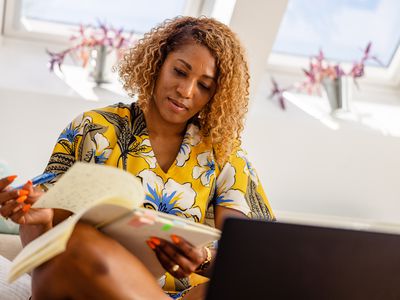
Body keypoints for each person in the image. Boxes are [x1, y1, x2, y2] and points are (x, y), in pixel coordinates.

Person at [0, 16, 274, 299]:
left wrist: (202, 258)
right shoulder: (95, 129)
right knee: (81, 244)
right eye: (180, 72)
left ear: (216, 95)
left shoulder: (224, 154)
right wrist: (38, 221)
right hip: (95, 284)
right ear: (157, 63)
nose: (186, 91)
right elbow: (45, 252)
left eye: (204, 86)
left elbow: (249, 259)